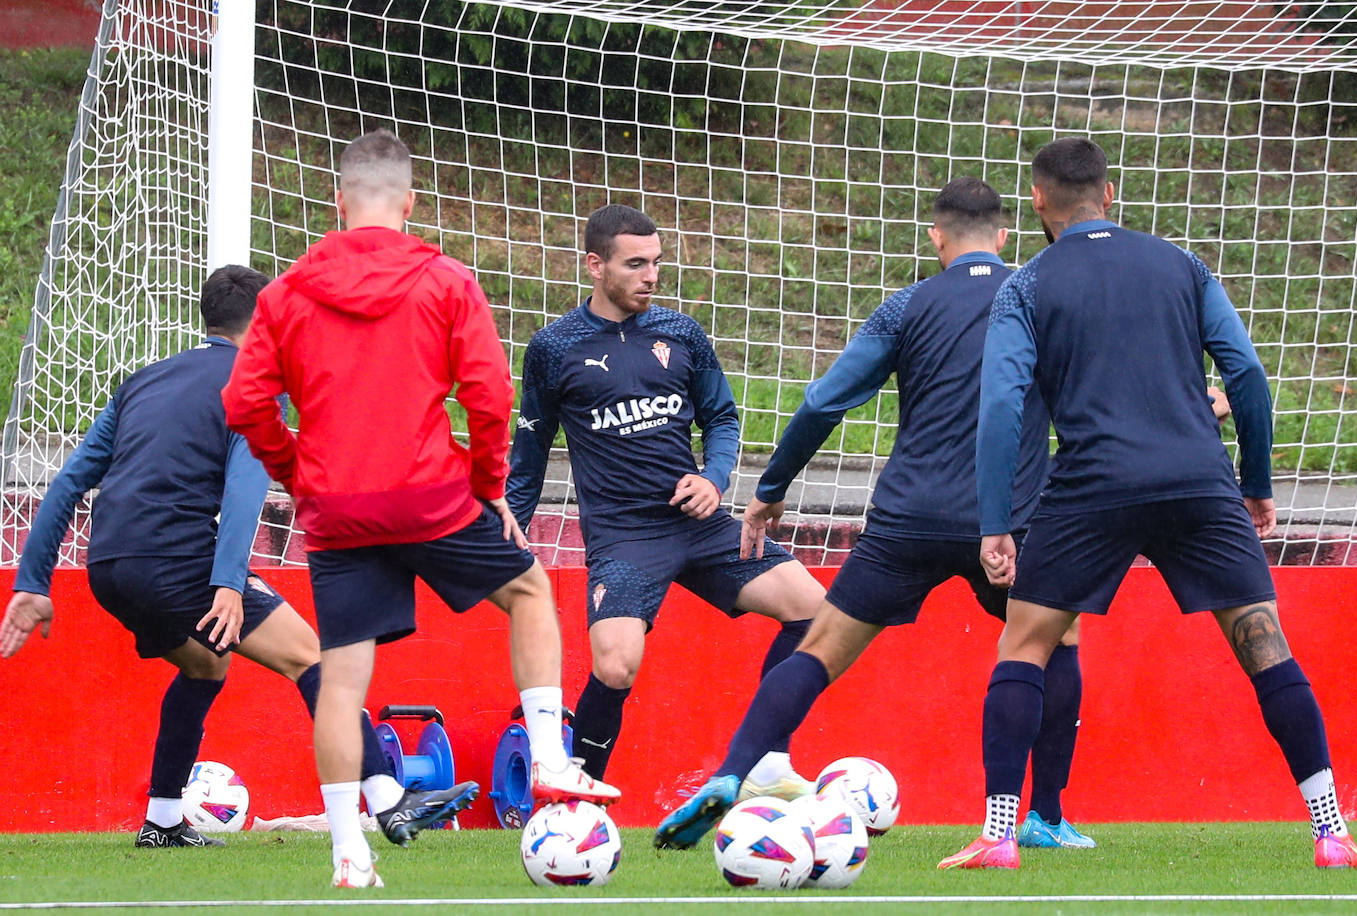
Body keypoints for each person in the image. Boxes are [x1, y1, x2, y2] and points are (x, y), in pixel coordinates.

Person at [940, 137, 1357, 870]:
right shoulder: (1182, 264)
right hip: (1198, 480)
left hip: (1090, 488)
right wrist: (1256, 483)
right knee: (1266, 645)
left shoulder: (1027, 285)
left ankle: (1000, 836)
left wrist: (995, 522)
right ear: (1110, 195)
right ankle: (1331, 831)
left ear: (1038, 202)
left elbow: (1002, 405)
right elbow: (1246, 373)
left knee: (1025, 644)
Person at [222, 130, 618, 889]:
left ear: (339, 202)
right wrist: (489, 482)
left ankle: (348, 853)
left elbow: (242, 403)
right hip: (432, 496)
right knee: (530, 590)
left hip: (337, 507)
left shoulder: (286, 293)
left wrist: (297, 470)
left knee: (342, 680)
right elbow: (490, 393)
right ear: (408, 201)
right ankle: (547, 757)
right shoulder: (444, 279)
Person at [653, 177, 1095, 850]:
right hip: (1009, 520)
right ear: (1005, 237)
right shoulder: (1038, 295)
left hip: (907, 519)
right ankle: (1044, 816)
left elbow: (825, 402)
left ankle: (734, 771)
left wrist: (771, 491)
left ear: (937, 237)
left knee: (820, 649)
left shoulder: (908, 305)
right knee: (1053, 642)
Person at [0, 266, 422, 851]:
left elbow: (69, 482)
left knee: (206, 665)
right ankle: (389, 800)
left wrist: (35, 580)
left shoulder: (141, 381)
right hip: (178, 562)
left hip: (109, 568)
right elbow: (245, 488)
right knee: (310, 656)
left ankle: (164, 820)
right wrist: (228, 582)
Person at [506, 204, 823, 796]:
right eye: (635, 264)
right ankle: (578, 794)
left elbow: (722, 419)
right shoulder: (554, 347)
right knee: (615, 664)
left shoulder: (681, 334)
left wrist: (715, 478)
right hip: (624, 538)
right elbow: (528, 457)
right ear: (595, 266)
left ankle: (766, 760)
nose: (651, 276)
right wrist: (509, 538)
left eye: (656, 263)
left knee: (815, 612)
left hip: (701, 525)